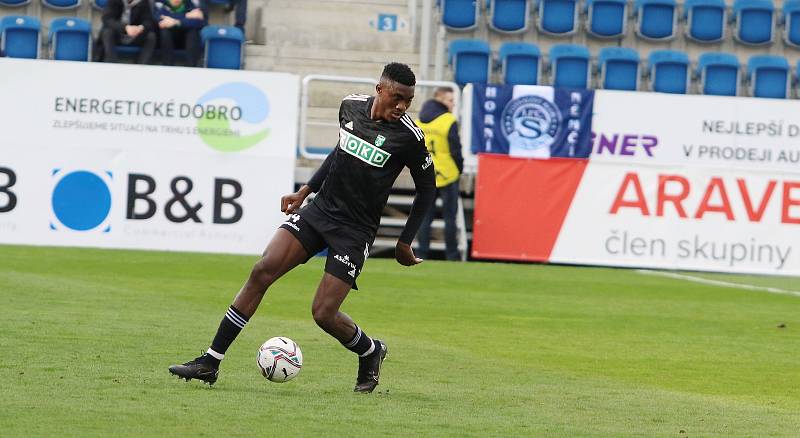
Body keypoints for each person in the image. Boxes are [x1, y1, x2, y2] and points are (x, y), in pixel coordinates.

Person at [168, 63, 436, 394]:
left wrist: (404, 241)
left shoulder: (409, 137)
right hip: (319, 212)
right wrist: (304, 191)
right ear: (380, 89)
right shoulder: (350, 106)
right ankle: (210, 361)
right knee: (262, 271)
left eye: (408, 101)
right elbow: (340, 152)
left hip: (354, 231)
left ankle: (370, 351)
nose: (402, 107)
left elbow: (427, 189)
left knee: (323, 313)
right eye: (397, 98)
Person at [415, 87, 464, 261]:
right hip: (447, 174)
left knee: (424, 218)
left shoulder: (419, 120)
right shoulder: (448, 120)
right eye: (450, 100)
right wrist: (459, 169)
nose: (453, 104)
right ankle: (452, 255)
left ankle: (421, 253)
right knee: (450, 218)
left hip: (426, 174)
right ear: (440, 100)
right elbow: (455, 150)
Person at [99, 0, 157, 64]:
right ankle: (112, 63)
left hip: (135, 35)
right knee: (107, 32)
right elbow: (107, 19)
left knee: (151, 36)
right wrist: (125, 28)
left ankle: (141, 65)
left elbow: (149, 21)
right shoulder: (114, 1)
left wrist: (140, 28)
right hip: (118, 34)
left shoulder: (143, 2)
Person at [154, 0, 205, 66]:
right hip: (164, 40)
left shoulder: (190, 4)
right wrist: (186, 16)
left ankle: (191, 67)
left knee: (193, 32)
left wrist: (177, 22)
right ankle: (167, 66)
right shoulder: (159, 4)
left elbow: (199, 22)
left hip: (184, 41)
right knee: (165, 31)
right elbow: (161, 21)